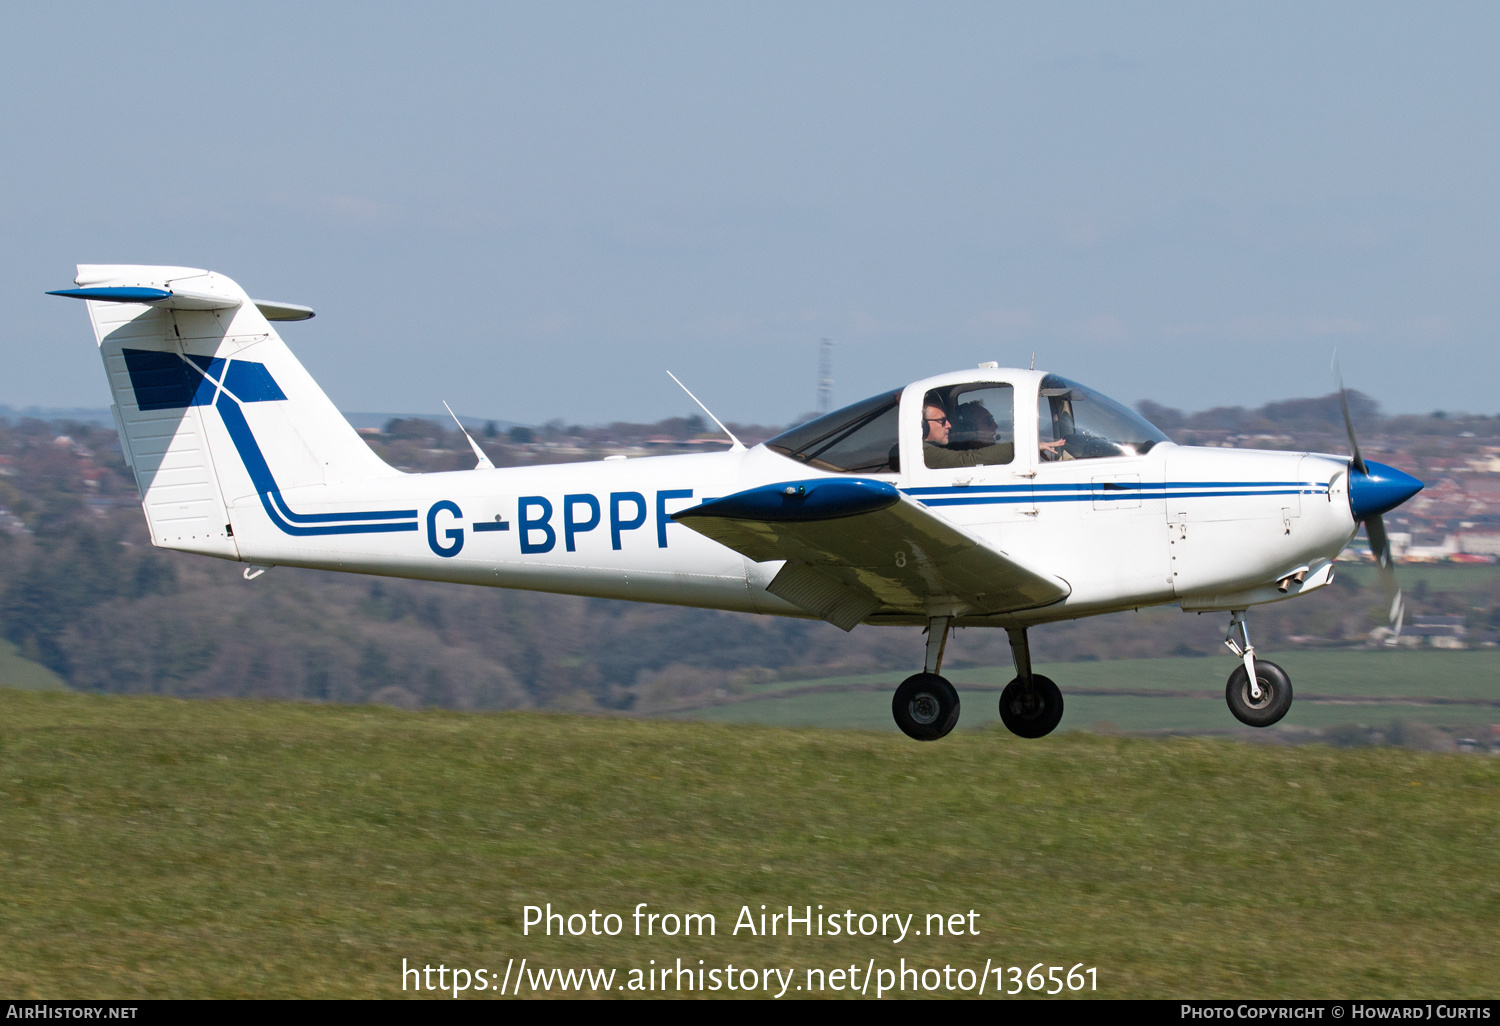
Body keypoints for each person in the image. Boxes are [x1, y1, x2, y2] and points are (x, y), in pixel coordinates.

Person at [922, 396, 1013, 468]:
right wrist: (1018, 448)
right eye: (942, 421)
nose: (949, 425)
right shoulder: (923, 453)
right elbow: (967, 459)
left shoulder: (946, 449)